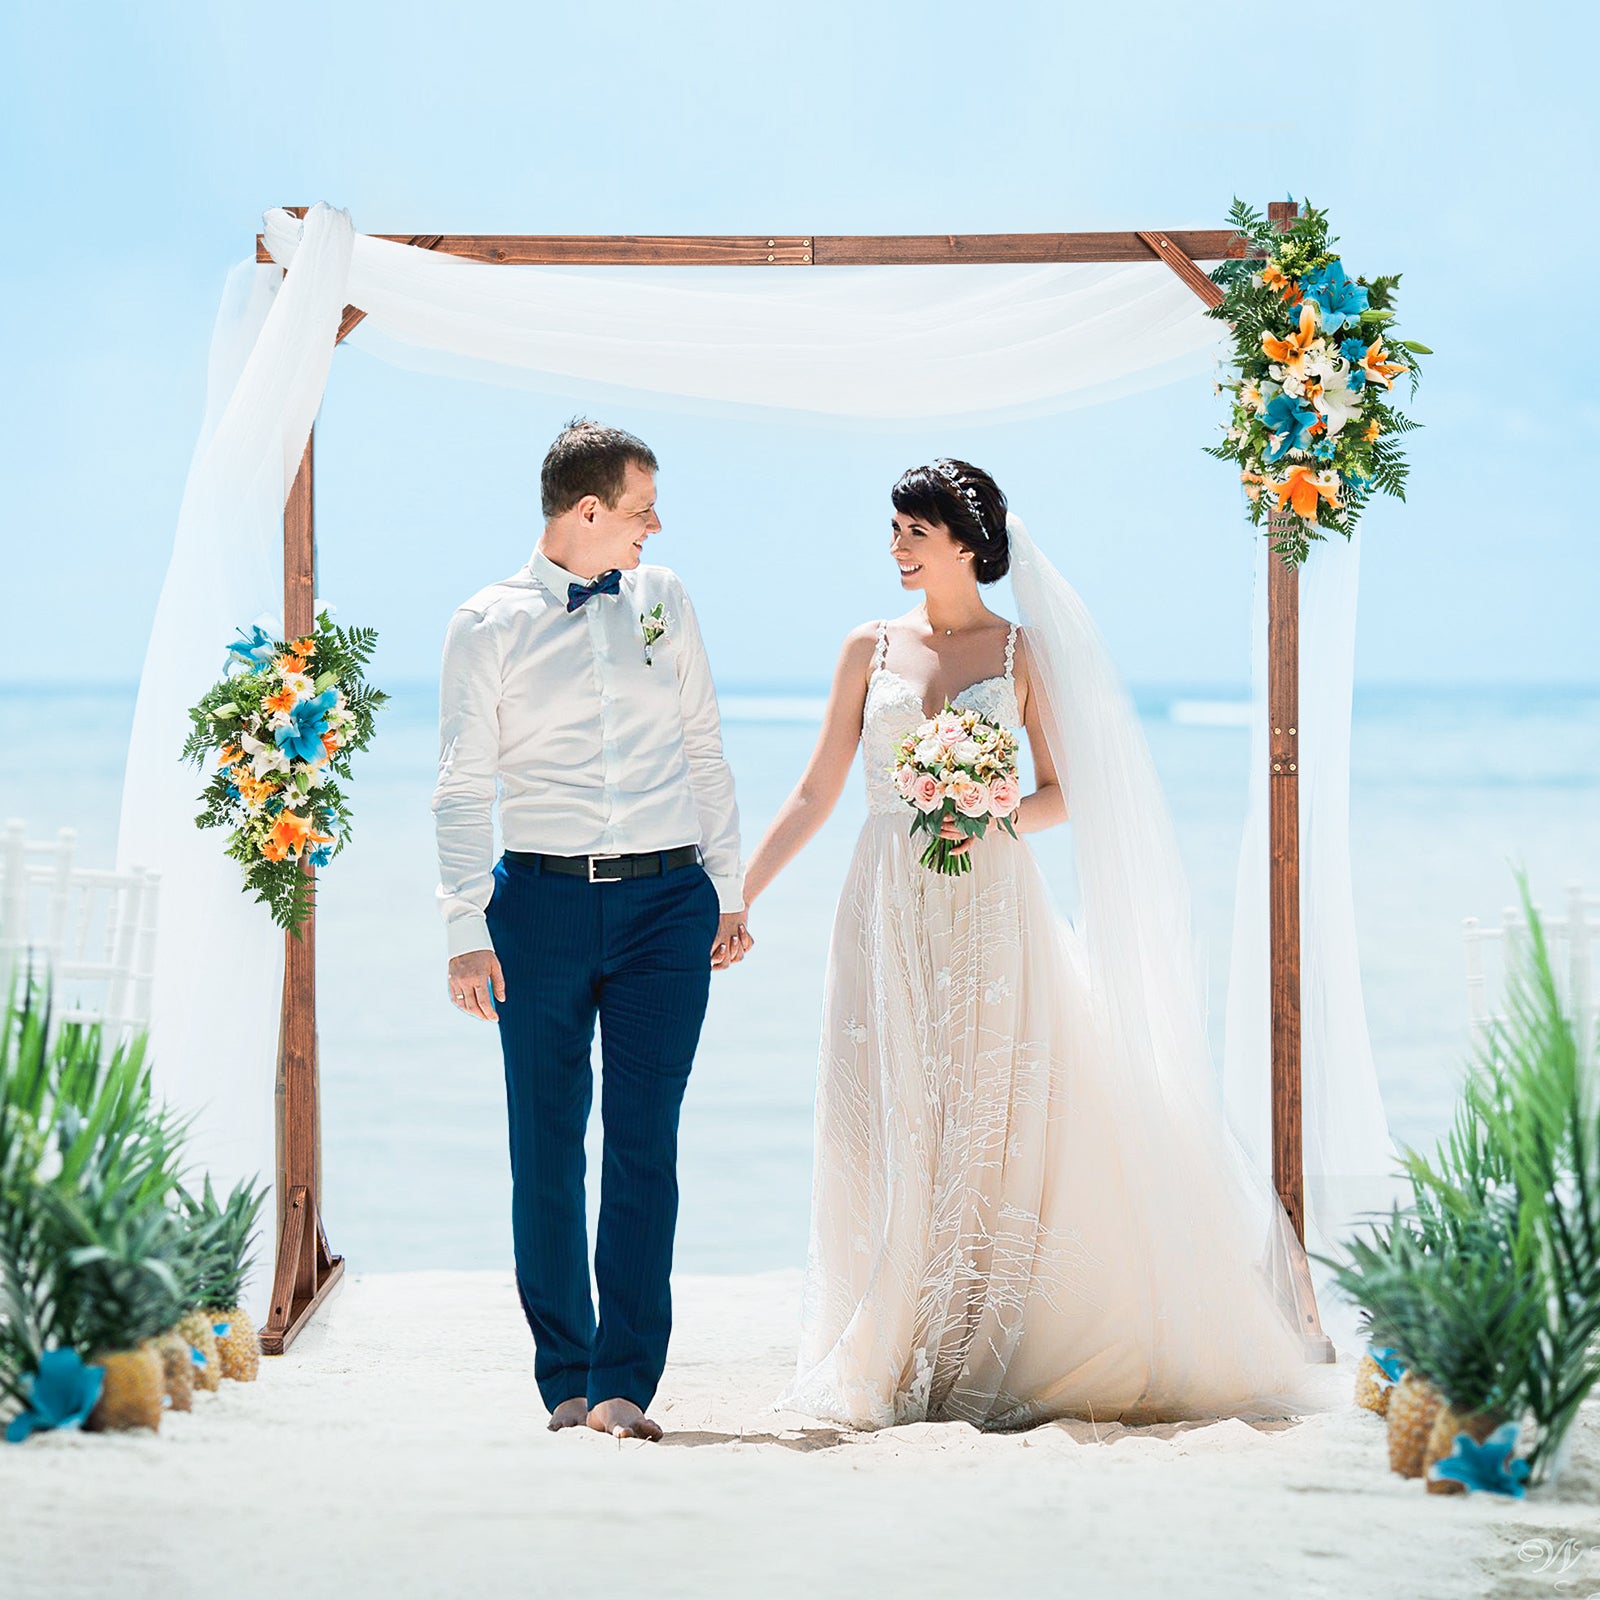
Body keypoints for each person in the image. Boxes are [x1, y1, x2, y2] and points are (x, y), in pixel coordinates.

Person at [742, 458, 1313, 1430]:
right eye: (892, 531)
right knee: (889, 1105)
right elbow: (815, 791)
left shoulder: (1021, 656)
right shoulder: (867, 648)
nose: (895, 549)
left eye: (911, 533)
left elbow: (1068, 790)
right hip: (883, 899)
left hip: (990, 903)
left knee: (989, 1108)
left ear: (965, 540)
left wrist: (988, 806)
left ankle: (973, 1337)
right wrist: (737, 893)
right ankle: (883, 1331)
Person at [432, 418, 752, 1440]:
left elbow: (704, 744)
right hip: (538, 909)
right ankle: (565, 1380)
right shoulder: (485, 623)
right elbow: (459, 784)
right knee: (545, 1149)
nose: (655, 524)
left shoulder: (667, 600)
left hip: (668, 905)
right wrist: (462, 928)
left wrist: (728, 889)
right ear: (587, 513)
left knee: (645, 1147)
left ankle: (625, 1385)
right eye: (640, 507)